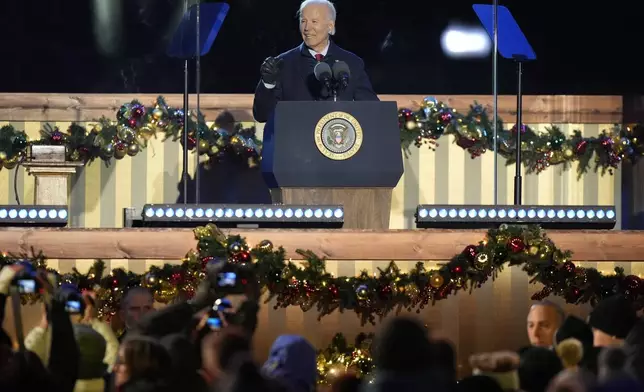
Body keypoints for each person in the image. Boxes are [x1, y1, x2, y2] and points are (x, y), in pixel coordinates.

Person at [252, 0, 379, 123]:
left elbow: (373, 110)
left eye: (314, 21)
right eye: (303, 21)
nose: (307, 28)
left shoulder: (352, 63)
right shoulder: (282, 63)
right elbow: (262, 115)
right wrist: (268, 84)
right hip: (295, 141)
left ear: (330, 26)